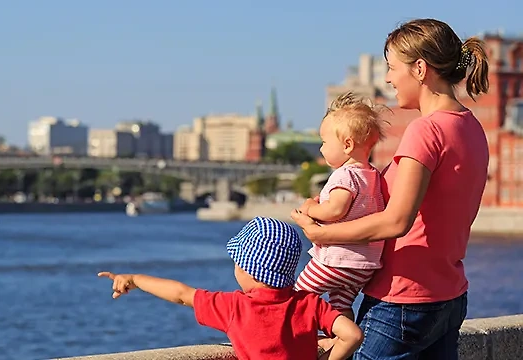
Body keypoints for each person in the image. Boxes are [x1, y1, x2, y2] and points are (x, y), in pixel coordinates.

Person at [290, 18, 490, 360]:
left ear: (420, 69)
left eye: (392, 67)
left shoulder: (425, 131)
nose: (387, 78)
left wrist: (324, 236)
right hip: (449, 297)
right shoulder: (472, 128)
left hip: (402, 300)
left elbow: (396, 221)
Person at [98, 216, 364, 360]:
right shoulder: (309, 303)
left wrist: (134, 279)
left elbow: (180, 294)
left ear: (248, 269)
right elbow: (352, 335)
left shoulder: (235, 307)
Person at [295, 91, 387, 323]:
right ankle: (344, 342)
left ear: (347, 145)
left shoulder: (344, 175)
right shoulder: (372, 175)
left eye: (324, 142)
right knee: (340, 305)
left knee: (297, 296)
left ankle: (291, 342)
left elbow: (336, 210)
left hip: (337, 260)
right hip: (363, 268)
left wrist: (310, 208)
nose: (321, 149)